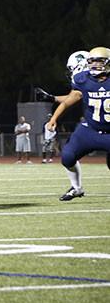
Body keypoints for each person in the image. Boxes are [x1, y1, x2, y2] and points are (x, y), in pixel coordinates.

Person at [46, 47, 110, 201]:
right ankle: (77, 188)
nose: (94, 64)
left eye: (99, 60)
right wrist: (53, 119)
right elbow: (69, 101)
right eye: (91, 61)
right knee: (67, 157)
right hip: (90, 130)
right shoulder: (83, 79)